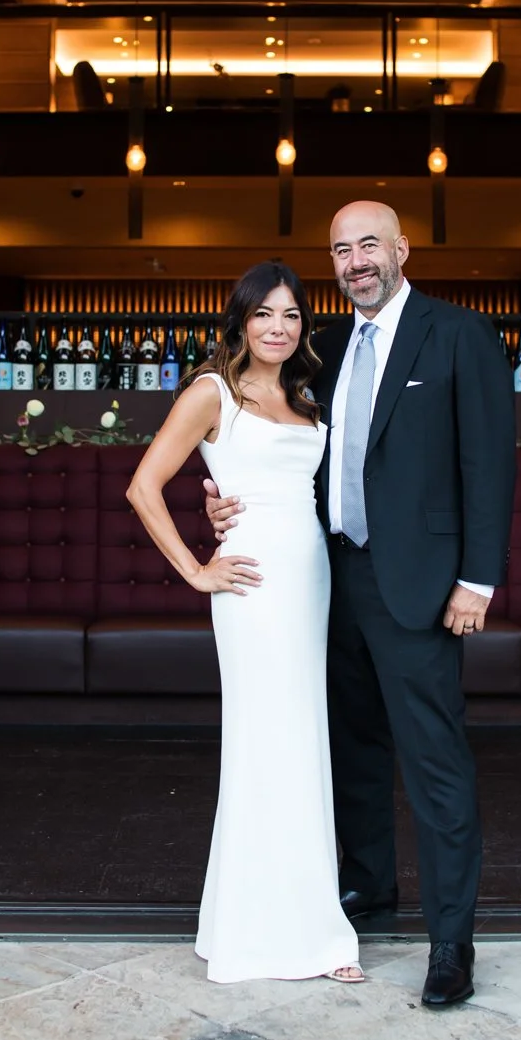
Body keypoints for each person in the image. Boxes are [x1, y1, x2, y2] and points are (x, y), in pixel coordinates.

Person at [206, 201, 514, 1008]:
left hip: (417, 585)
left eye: (368, 244)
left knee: (434, 763)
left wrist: (477, 580)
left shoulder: (459, 334)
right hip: (324, 579)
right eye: (340, 250)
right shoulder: (327, 346)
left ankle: (451, 942)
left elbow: (489, 464)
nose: (355, 261)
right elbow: (286, 451)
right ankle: (367, 892)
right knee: (351, 754)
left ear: (402, 249)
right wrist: (224, 502)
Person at [125, 261, 363, 986]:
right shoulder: (211, 392)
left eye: (292, 315)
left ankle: (295, 925)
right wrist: (199, 567)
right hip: (252, 586)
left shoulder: (305, 394)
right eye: (265, 314)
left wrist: (215, 502)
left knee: (302, 745)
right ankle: (273, 938)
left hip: (311, 578)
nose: (278, 328)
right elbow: (143, 485)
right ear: (241, 319)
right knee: (265, 746)